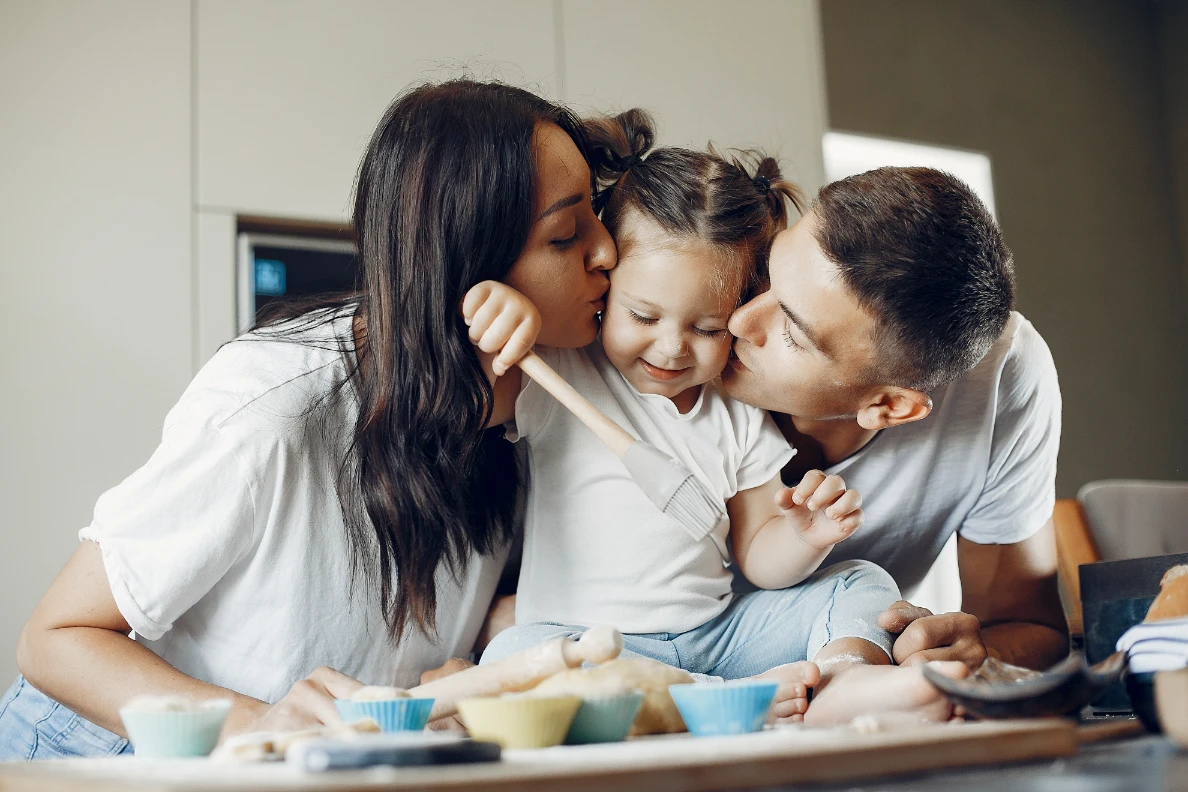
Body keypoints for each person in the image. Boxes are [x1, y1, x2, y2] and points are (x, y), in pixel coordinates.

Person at [0, 79, 617, 760]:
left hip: (301, 765)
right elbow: (52, 641)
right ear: (465, 264)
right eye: (566, 235)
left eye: (596, 217)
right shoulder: (273, 406)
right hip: (104, 747)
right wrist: (254, 723)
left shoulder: (540, 401)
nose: (606, 253)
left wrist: (476, 655)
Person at [466, 111, 964, 725]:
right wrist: (494, 314)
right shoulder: (561, 371)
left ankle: (842, 682)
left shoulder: (737, 410)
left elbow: (757, 553)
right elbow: (468, 402)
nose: (673, 349)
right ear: (604, 284)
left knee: (859, 580)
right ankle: (710, 700)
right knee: (511, 655)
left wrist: (804, 537)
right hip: (586, 643)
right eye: (643, 317)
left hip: (719, 637)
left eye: (706, 327)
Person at [721, 167, 1067, 694]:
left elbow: (1031, 628)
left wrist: (975, 654)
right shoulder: (674, 335)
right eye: (770, 273)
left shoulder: (1001, 377)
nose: (738, 321)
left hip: (845, 694)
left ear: (889, 406)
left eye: (792, 333)